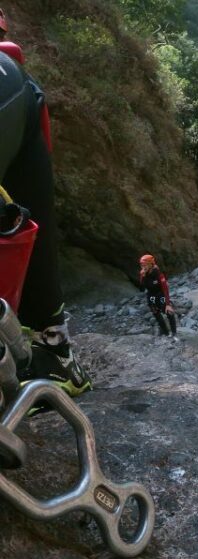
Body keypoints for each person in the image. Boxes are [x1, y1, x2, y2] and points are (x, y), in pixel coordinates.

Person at [0, 19, 91, 398]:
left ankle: (50, 351)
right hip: (11, 84)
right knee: (26, 211)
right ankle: (54, 351)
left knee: (23, 213)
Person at [138, 254, 178, 339]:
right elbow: (141, 289)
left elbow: (165, 289)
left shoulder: (158, 273)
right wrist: (142, 276)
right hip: (151, 297)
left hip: (160, 295)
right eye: (141, 265)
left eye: (144, 265)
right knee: (156, 314)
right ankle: (166, 333)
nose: (143, 267)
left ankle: (174, 333)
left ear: (150, 264)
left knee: (169, 312)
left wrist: (167, 304)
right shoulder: (143, 274)